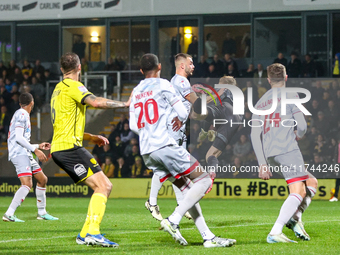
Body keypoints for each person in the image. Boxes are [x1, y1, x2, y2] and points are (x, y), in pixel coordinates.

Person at [130, 53, 236, 248]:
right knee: (203, 180)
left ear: (141, 70)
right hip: (167, 144)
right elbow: (194, 109)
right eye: (191, 62)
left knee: (187, 190)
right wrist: (218, 98)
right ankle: (172, 220)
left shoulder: (136, 90)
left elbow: (134, 125)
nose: (193, 65)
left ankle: (208, 237)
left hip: (148, 150)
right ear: (160, 67)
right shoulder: (172, 83)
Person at [50, 52, 130, 247]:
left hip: (61, 147)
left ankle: (85, 233)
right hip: (69, 148)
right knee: (104, 186)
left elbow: (64, 126)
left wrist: (90, 137)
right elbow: (95, 102)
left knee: (100, 186)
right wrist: (124, 104)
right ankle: (93, 232)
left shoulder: (57, 90)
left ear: (61, 69)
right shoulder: (75, 86)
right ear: (79, 68)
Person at [250, 63, 318, 243]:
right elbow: (302, 125)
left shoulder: (259, 102)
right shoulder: (291, 95)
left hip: (270, 154)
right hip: (287, 148)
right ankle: (276, 231)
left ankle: (295, 218)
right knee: (298, 190)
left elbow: (254, 134)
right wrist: (299, 134)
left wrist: (262, 163)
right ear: (286, 77)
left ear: (268, 80)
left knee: (311, 182)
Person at [145, 53, 195, 221]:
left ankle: (181, 205)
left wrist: (182, 119)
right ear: (182, 65)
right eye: (191, 63)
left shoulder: (176, 81)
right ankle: (152, 202)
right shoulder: (181, 81)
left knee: (177, 169)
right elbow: (196, 101)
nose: (193, 66)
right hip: (172, 132)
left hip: (177, 131)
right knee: (166, 168)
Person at [3, 93, 58, 222]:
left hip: (25, 152)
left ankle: (42, 212)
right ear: (32, 103)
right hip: (19, 153)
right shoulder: (22, 114)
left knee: (42, 179)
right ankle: (9, 213)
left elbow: (21, 139)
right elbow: (18, 137)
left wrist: (38, 145)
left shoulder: (21, 114)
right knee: (27, 184)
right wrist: (36, 150)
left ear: (20, 103)